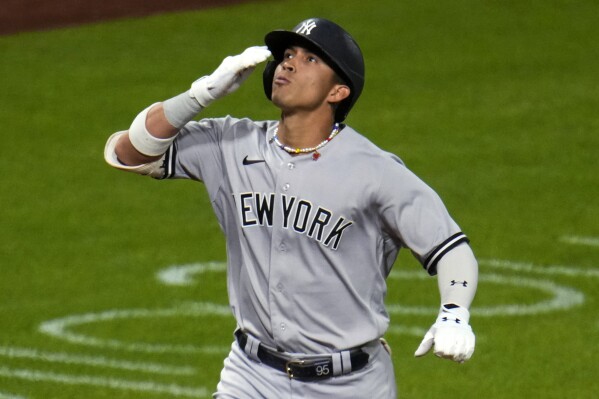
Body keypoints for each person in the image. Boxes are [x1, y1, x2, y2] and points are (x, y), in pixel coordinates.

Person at [104, 17, 478, 399]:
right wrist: (200, 95)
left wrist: (454, 313)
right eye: (287, 55)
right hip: (251, 377)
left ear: (338, 92)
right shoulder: (229, 144)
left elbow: (450, 247)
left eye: (310, 59)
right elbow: (129, 152)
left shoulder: (375, 171)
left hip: (350, 385)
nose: (289, 63)